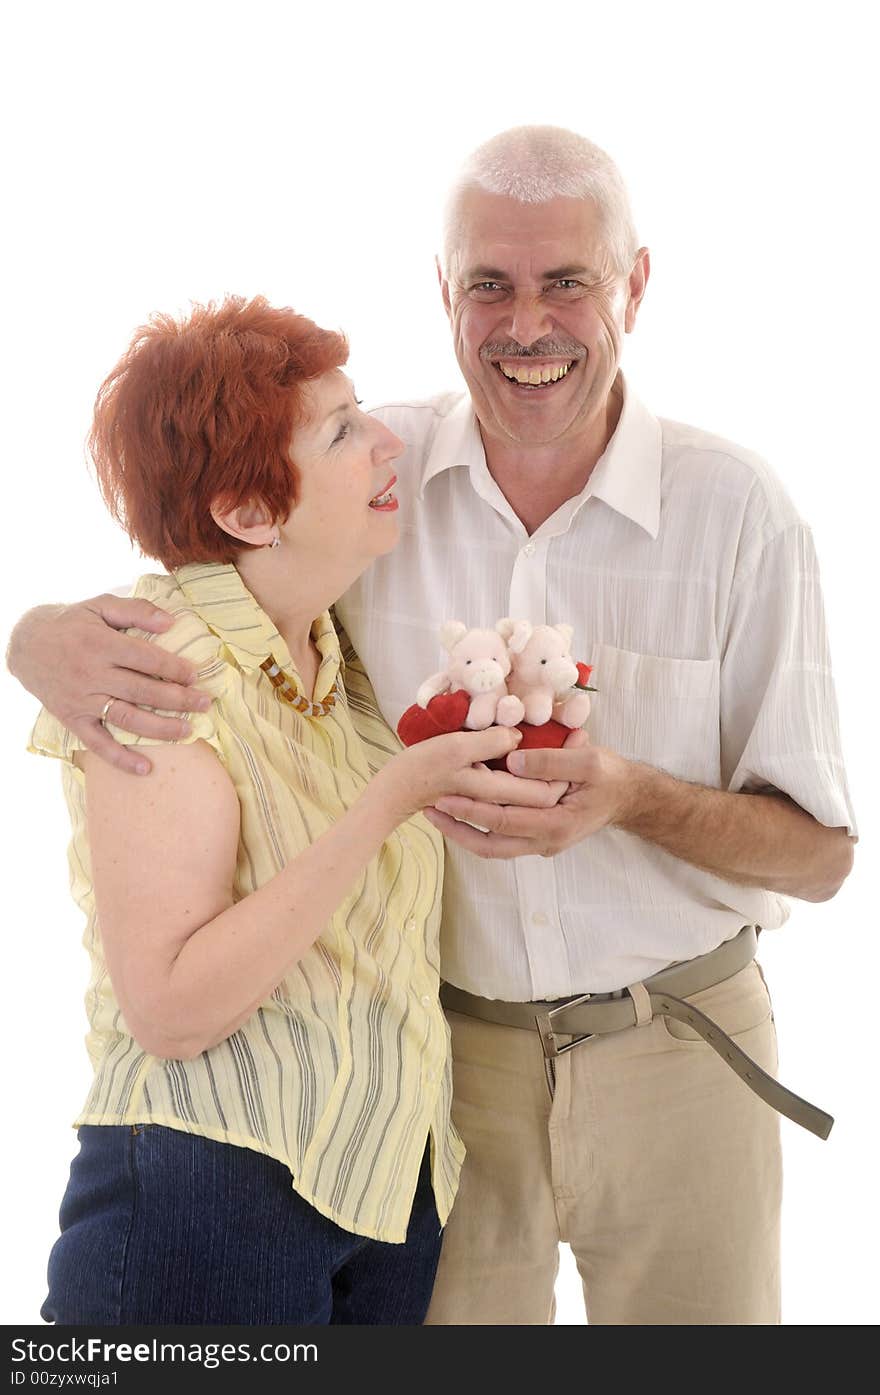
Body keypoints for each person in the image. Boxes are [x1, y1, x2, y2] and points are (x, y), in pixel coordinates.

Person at [9, 128, 856, 1325]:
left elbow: (822, 856)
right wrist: (34, 635)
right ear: (443, 292)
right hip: (440, 1083)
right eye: (489, 285)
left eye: (568, 281)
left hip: (682, 1046)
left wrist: (633, 795)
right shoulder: (367, 498)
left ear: (635, 286)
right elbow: (210, 564)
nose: (526, 325)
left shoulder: (738, 513)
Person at [17, 294, 557, 1326]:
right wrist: (386, 801)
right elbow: (169, 1008)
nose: (385, 440)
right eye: (343, 430)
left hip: (384, 1188)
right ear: (248, 512)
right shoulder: (163, 674)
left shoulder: (338, 649)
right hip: (209, 1191)